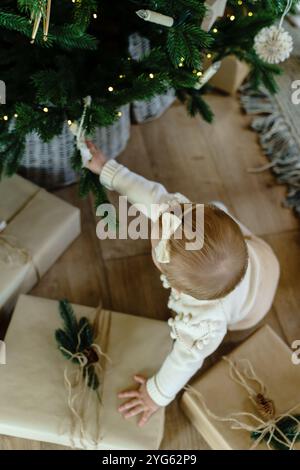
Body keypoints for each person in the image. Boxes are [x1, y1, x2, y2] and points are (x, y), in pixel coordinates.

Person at [85, 141, 280, 427]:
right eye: (168, 218)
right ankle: (222, 224)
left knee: (217, 253)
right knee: (218, 241)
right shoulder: (182, 215)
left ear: (166, 271)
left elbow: (184, 360)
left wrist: (155, 394)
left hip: (252, 307)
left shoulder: (203, 321)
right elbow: (154, 198)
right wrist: (109, 170)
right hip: (259, 256)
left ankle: (221, 225)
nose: (162, 217)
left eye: (157, 232)